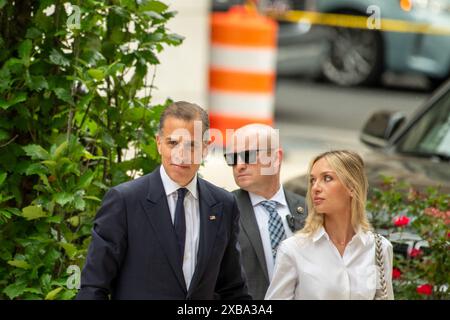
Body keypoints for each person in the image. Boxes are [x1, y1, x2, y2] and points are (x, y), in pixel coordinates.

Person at [76, 101, 251, 300]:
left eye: (191, 145)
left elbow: (233, 290)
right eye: (172, 143)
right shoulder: (124, 202)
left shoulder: (223, 205)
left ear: (206, 147)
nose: (181, 154)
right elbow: (93, 287)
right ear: (159, 143)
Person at [265, 150, 394, 300]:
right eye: (313, 180)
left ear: (352, 187)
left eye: (327, 178)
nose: (315, 188)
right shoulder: (293, 249)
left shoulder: (379, 248)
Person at [224, 124, 307, 300]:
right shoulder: (223, 211)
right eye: (232, 158)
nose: (239, 165)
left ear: (275, 158)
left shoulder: (309, 209)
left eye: (248, 156)